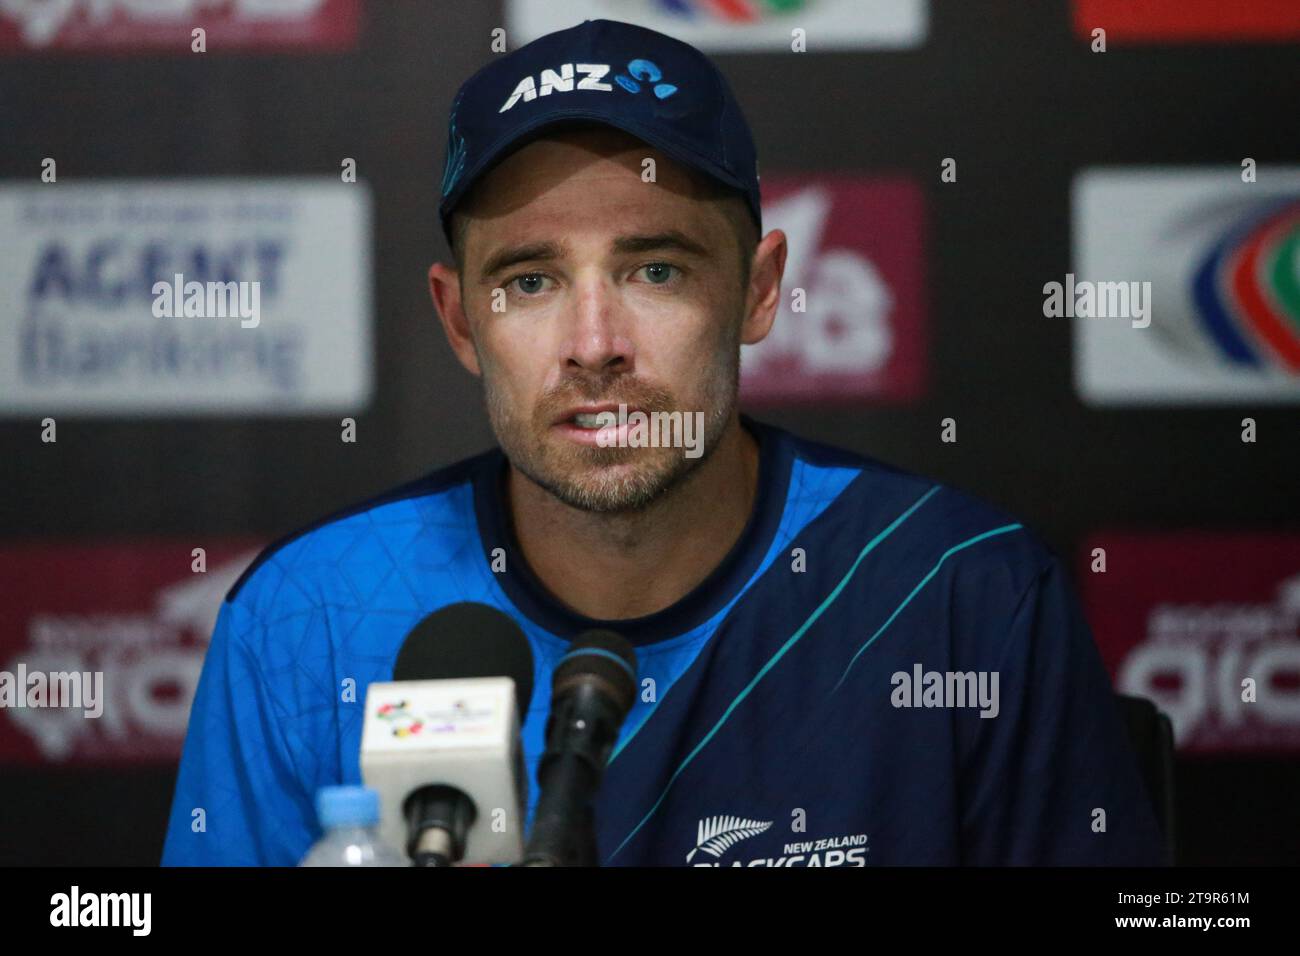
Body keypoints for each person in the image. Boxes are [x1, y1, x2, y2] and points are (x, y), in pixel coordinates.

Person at [162, 18, 1165, 867]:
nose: (594, 347)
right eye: (529, 282)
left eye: (655, 271)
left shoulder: (957, 593)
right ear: (460, 320)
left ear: (759, 289)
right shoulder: (307, 618)